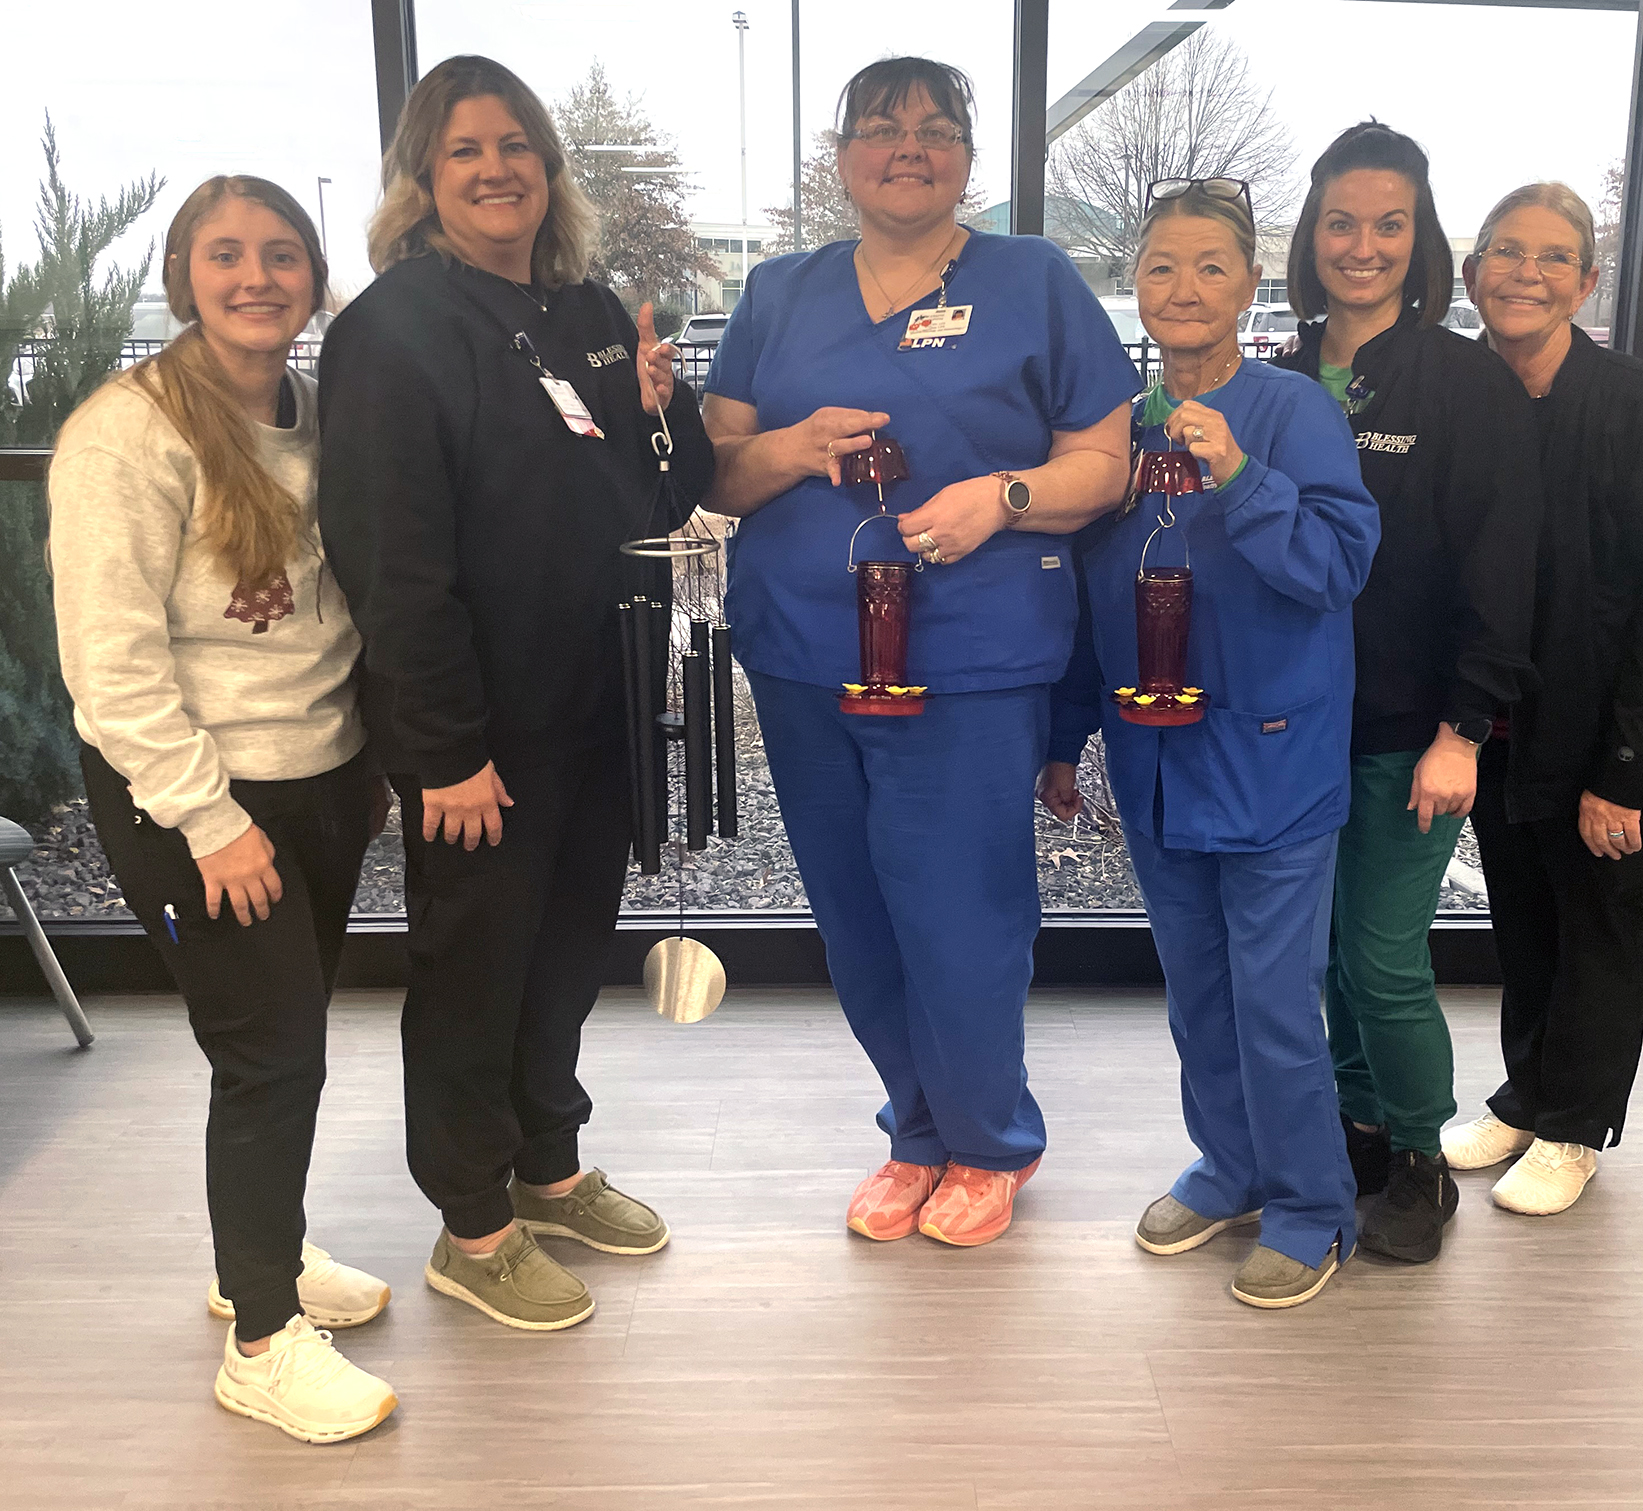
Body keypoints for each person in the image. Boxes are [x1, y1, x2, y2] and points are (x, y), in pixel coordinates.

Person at [702, 57, 1140, 1248]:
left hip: (973, 653)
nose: (910, 147)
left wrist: (1002, 496)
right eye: (883, 128)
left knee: (962, 906)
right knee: (853, 908)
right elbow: (721, 472)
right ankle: (915, 1128)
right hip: (803, 653)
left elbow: (1104, 462)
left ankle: (992, 1136)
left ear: (967, 158)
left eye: (936, 129)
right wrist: (791, 447)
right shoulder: (777, 294)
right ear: (841, 155)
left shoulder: (1034, 281)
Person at [317, 55, 713, 1329]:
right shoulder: (392, 332)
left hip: (597, 706)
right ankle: (472, 1223)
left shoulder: (584, 308)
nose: (498, 170)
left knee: (562, 958)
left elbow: (664, 489)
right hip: (478, 736)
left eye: (518, 146)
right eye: (466, 150)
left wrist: (667, 400)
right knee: (475, 971)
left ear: (549, 170)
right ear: (423, 180)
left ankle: (549, 1163)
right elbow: (393, 565)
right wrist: (440, 752)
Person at [50, 176, 396, 1442]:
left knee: (282, 1040)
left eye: (282, 255)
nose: (258, 276)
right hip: (195, 793)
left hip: (316, 768)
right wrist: (209, 818)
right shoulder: (125, 434)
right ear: (181, 275)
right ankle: (260, 1336)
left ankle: (264, 1251)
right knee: (270, 1053)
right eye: (226, 255)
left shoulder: (318, 411)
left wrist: (362, 766)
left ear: (311, 277)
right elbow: (111, 662)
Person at [1040, 180, 1380, 1307]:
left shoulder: (1293, 412)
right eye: (1160, 268)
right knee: (1196, 989)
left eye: (1210, 267)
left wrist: (1239, 473)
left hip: (1272, 758)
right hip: (1155, 764)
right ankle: (1231, 1164)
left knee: (1275, 998)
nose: (1183, 289)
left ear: (1249, 284)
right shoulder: (1120, 434)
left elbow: (1336, 568)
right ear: (1133, 287)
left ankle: (1310, 1205)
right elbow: (1094, 597)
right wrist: (1063, 735)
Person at [1270, 122, 1541, 1263]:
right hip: (1291, 729)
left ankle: (1422, 1155)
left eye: (1390, 225)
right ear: (1312, 235)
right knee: (1325, 952)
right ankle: (1361, 1127)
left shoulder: (1468, 385)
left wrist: (1463, 728)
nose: (1363, 246)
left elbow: (1503, 571)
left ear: (1422, 240)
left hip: (1408, 731)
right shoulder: (1277, 380)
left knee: (1381, 952)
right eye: (1342, 222)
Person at [1447, 183, 1643, 1214]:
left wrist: (1625, 769)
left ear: (1586, 282)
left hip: (1618, 731)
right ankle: (1529, 1094)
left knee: (1597, 925)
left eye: (1553, 256)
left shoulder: (1636, 405)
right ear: (1473, 272)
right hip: (1505, 726)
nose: (1526, 272)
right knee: (1525, 923)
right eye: (1505, 252)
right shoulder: (1465, 396)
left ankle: (1577, 1125)